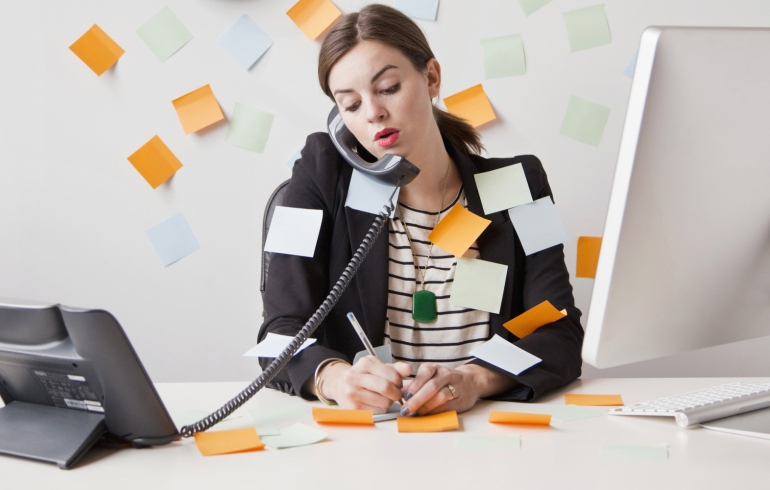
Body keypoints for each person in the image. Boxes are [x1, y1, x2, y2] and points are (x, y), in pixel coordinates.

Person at [259, 4, 583, 416]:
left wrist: (475, 379)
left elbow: (559, 330)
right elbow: (278, 333)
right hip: (366, 438)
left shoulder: (518, 184)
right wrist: (337, 379)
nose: (373, 112)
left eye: (389, 87)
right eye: (351, 104)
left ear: (431, 78)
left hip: (482, 428)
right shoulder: (320, 175)